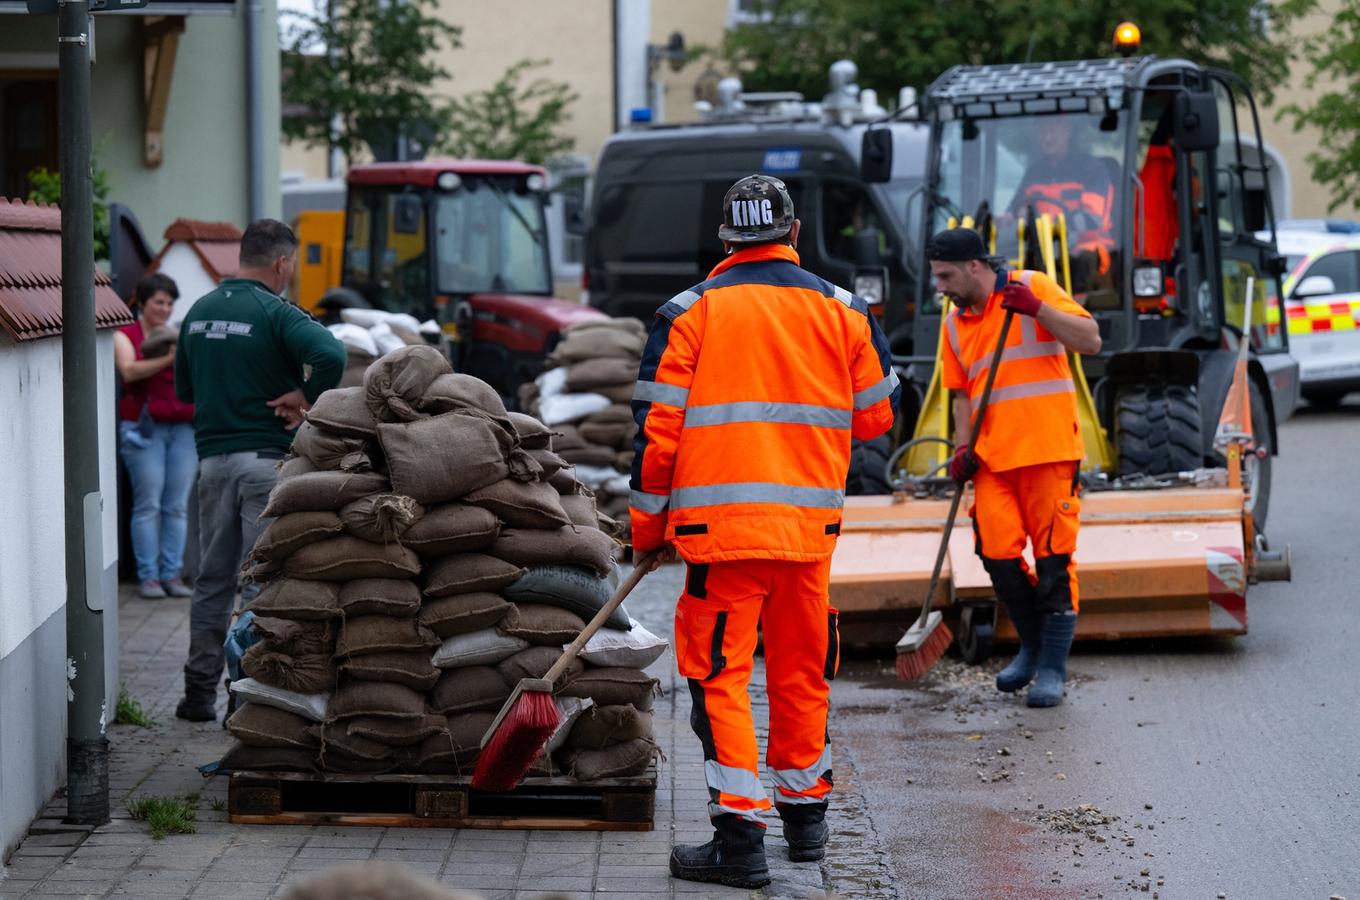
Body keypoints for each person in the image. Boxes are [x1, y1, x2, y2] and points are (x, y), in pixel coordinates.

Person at [629, 174, 899, 887]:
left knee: (720, 678)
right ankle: (806, 824)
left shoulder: (688, 314)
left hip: (720, 536)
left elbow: (657, 436)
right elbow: (877, 418)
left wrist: (647, 528)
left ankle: (741, 840)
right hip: (808, 534)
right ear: (794, 234)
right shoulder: (845, 310)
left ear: (725, 239)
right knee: (800, 673)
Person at [173, 219, 347, 723]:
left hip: (211, 464)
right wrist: (306, 397)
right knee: (257, 583)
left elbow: (187, 393)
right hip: (264, 465)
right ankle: (243, 698)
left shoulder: (198, 312)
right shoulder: (275, 311)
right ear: (283, 263)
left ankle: (196, 695)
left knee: (210, 580)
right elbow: (331, 353)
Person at [928, 227, 1102, 708]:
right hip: (992, 461)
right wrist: (962, 449)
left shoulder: (1034, 287)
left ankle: (1051, 667)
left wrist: (1038, 310)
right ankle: (1029, 646)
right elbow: (962, 395)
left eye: (946, 275)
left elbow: (1090, 340)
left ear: (975, 267)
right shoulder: (953, 324)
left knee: (1052, 565)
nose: (939, 286)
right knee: (999, 559)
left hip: (1047, 453)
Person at [114, 273, 196, 599]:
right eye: (158, 302)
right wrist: (169, 359)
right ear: (142, 303)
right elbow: (129, 370)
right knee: (148, 503)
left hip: (183, 429)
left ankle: (172, 574)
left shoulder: (177, 335)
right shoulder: (126, 335)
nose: (164, 308)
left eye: (169, 303)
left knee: (176, 506)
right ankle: (148, 576)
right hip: (142, 431)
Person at [1007, 116, 1117, 284]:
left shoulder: (1092, 169)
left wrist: (1054, 228)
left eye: (1052, 131)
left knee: (1081, 260)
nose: (1047, 138)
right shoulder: (1034, 172)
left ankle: (1073, 309)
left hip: (1085, 246)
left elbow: (1092, 218)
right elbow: (1015, 209)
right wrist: (1010, 217)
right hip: (1041, 248)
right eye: (1042, 132)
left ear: (1068, 131)